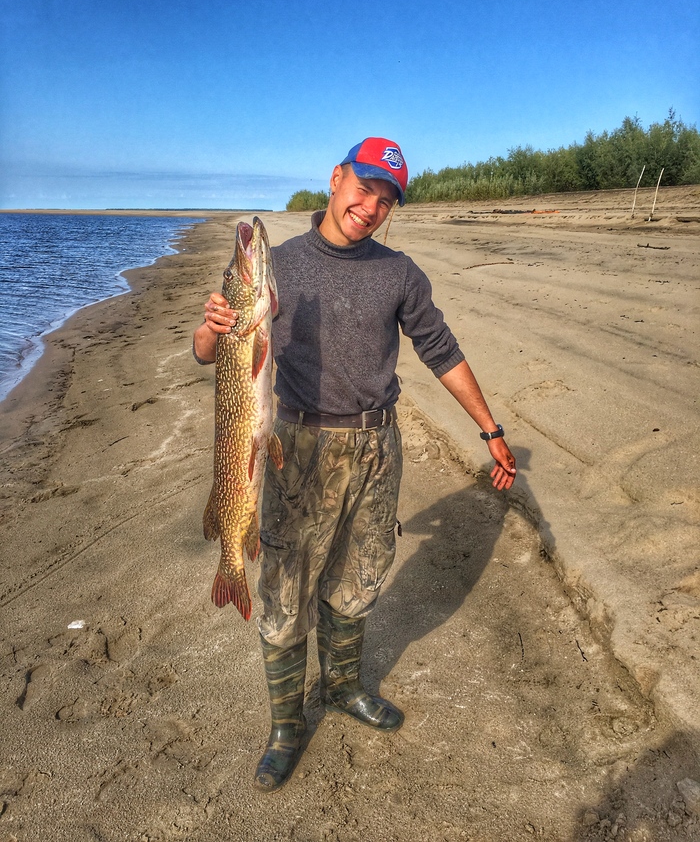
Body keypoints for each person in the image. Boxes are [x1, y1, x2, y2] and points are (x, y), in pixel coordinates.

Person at [192, 137, 516, 793]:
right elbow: (213, 351)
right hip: (297, 449)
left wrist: (490, 428)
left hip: (375, 448)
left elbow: (441, 350)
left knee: (360, 578)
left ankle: (342, 688)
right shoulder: (276, 267)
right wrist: (211, 325)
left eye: (385, 199)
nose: (369, 206)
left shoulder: (400, 274)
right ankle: (286, 726)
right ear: (336, 179)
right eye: (363, 188)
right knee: (284, 591)